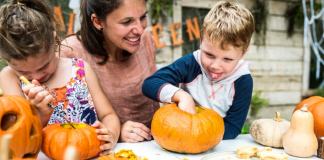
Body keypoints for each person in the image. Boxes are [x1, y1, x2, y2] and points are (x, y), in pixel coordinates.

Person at [0, 0, 120, 156]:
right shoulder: (9, 77)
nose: (36, 76)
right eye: (22, 71)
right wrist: (39, 114)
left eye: (44, 66)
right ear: (7, 60)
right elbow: (17, 137)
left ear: (54, 41)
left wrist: (110, 133)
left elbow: (108, 115)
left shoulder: (81, 70)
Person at [142, 1, 255, 139]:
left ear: (243, 54)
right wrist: (182, 96)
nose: (215, 66)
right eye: (209, 54)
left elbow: (233, 128)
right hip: (178, 135)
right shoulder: (191, 63)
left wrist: (197, 132)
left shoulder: (243, 80)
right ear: (201, 41)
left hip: (213, 144)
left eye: (227, 59)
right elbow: (150, 84)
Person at [60, 0, 160, 143]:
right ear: (98, 22)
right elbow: (60, 126)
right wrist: (115, 133)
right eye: (127, 21)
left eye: (143, 17)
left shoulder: (145, 39)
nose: (140, 29)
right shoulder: (69, 53)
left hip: (155, 148)